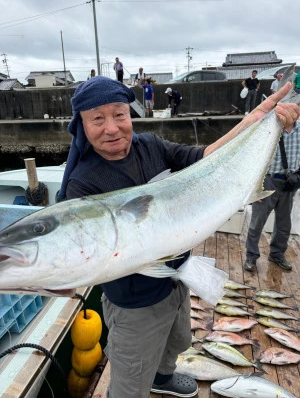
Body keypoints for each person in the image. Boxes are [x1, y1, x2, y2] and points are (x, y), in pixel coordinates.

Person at [57, 76, 299, 398]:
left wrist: (255, 123)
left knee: (179, 341)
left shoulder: (150, 145)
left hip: (176, 280)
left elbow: (206, 158)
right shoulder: (82, 184)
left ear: (130, 115)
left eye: (119, 114)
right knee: (130, 383)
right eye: (97, 119)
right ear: (82, 126)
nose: (112, 128)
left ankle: (163, 376)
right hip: (135, 304)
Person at [243, 117, 300, 272]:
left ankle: (277, 253)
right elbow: (253, 159)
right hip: (267, 180)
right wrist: (256, 189)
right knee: (257, 222)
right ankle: (251, 256)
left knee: (284, 224)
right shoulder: (270, 128)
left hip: (290, 183)